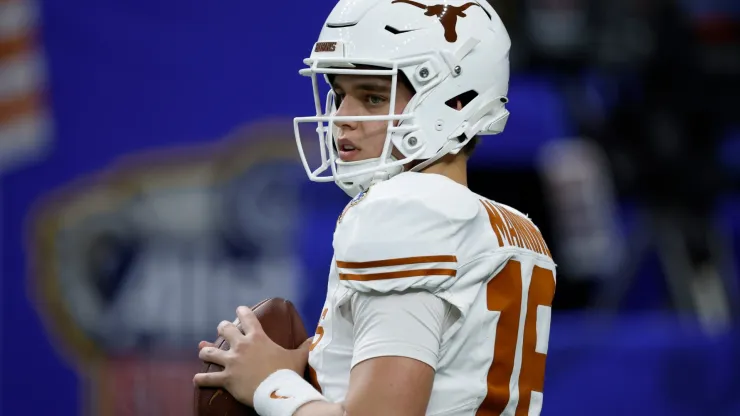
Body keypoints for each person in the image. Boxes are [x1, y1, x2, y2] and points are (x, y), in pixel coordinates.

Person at [193, 0, 557, 415]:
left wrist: (271, 387)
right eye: (339, 93)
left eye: (372, 97)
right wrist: (319, 353)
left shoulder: (404, 213)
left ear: (456, 102)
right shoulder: (514, 229)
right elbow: (445, 356)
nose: (342, 118)